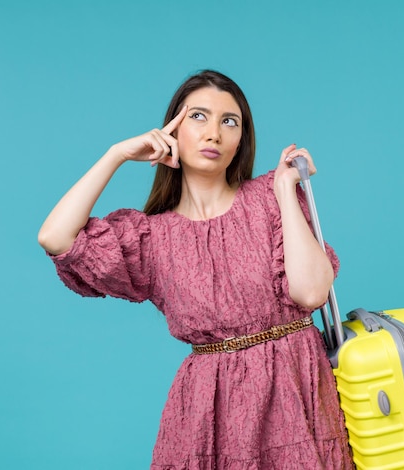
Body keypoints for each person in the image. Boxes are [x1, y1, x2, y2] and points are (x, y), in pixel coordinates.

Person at [38, 70, 353, 469]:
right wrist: (116, 153)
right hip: (208, 411)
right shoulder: (150, 237)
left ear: (241, 139)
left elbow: (311, 293)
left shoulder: (270, 199)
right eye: (198, 117)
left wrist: (284, 194)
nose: (214, 134)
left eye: (229, 121)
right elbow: (55, 237)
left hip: (295, 388)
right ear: (173, 129)